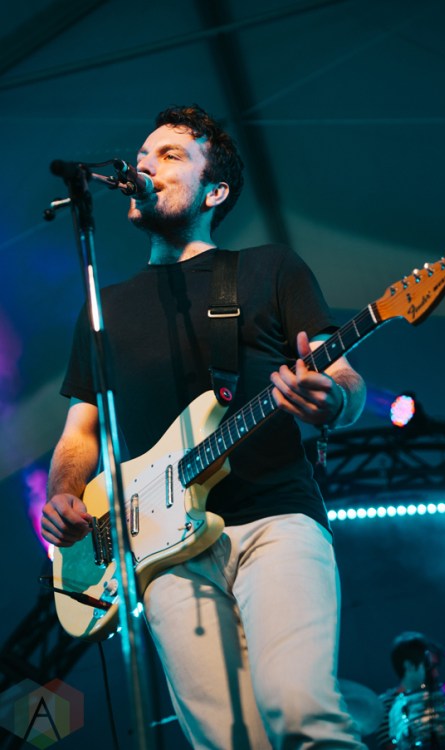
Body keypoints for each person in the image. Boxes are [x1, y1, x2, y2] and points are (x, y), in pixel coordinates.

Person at [41, 104, 367, 750]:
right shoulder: (103, 310)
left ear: (213, 192)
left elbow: (346, 380)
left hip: (275, 520)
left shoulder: (269, 268)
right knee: (225, 741)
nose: (145, 165)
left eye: (170, 156)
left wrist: (331, 399)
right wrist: (63, 494)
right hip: (163, 556)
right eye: (143, 155)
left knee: (300, 712)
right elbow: (80, 432)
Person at [376, 632, 442, 750]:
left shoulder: (437, 699)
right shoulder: (385, 705)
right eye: (431, 667)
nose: (436, 674)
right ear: (409, 665)